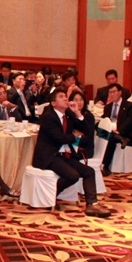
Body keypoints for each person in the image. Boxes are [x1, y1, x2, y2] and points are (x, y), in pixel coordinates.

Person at [33, 89, 112, 217]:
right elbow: (59, 138)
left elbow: (87, 130)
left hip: (65, 154)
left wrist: (77, 113)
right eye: (61, 96)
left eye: (66, 96)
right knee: (73, 175)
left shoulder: (69, 114)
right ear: (53, 103)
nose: (65, 98)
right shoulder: (48, 117)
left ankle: (92, 204)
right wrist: (74, 135)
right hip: (50, 155)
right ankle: (49, 196)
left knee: (89, 171)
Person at [101, 83, 132, 176]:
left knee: (110, 138)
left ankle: (106, 166)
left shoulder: (130, 105)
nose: (112, 94)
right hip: (112, 132)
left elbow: (129, 122)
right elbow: (104, 120)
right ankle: (119, 138)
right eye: (110, 92)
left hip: (126, 133)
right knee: (99, 131)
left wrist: (119, 131)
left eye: (114, 92)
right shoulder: (108, 107)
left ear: (120, 92)